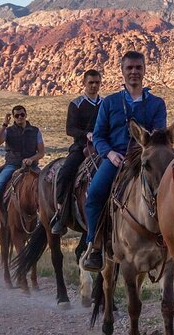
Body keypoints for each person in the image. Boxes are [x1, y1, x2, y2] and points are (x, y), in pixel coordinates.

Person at [81, 51, 167, 271]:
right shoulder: (110, 102)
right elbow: (99, 135)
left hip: (145, 158)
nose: (134, 72)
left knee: (171, 190)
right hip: (117, 159)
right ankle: (96, 246)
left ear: (145, 70)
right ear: (122, 71)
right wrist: (109, 154)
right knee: (95, 194)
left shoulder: (157, 103)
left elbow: (159, 135)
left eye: (138, 67)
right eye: (129, 68)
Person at [50, 69, 103, 235]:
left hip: (103, 146)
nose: (94, 86)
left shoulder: (105, 103)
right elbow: (70, 129)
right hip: (81, 146)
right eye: (91, 82)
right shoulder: (76, 104)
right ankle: (61, 211)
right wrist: (86, 134)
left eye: (97, 82)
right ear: (84, 84)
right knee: (66, 171)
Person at [0, 106, 45, 235]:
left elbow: (41, 152)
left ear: (26, 114)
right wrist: (4, 124)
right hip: (12, 165)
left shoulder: (35, 131)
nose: (20, 117)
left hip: (31, 165)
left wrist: (31, 159)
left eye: (22, 114)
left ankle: (50, 217)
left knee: (45, 184)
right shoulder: (8, 131)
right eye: (17, 115)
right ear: (13, 117)